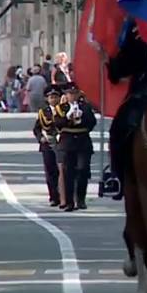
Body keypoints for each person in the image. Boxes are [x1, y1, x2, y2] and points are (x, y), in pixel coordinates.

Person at [107, 19, 147, 198]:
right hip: (146, 89)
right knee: (118, 130)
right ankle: (117, 177)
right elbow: (124, 65)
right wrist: (111, 62)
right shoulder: (136, 30)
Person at [54, 83, 97, 211]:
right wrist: (68, 117)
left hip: (83, 141)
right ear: (66, 95)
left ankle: (81, 198)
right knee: (68, 173)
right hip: (67, 142)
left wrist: (81, 117)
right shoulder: (61, 108)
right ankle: (69, 202)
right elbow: (57, 124)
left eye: (74, 93)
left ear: (78, 94)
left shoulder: (85, 107)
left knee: (83, 170)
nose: (72, 96)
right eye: (69, 94)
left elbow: (91, 122)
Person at [33, 85, 62, 207]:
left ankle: (64, 195)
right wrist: (41, 138)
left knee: (63, 171)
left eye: (56, 97)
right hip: (48, 144)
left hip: (61, 143)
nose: (54, 100)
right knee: (50, 171)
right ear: (47, 99)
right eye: (51, 97)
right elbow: (37, 128)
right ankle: (54, 196)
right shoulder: (43, 112)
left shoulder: (64, 110)